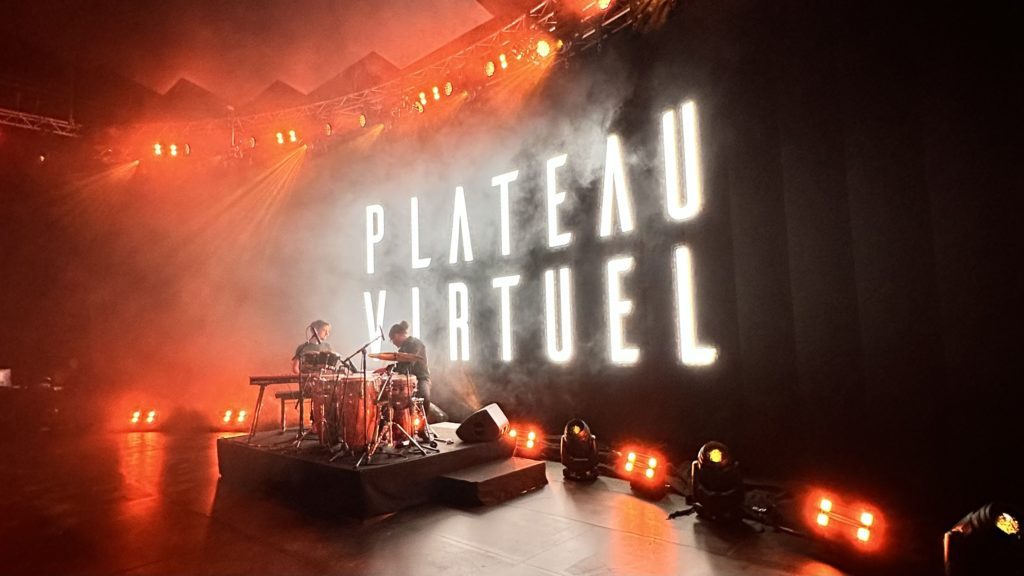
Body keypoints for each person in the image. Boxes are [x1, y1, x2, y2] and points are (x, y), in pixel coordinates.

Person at [386, 320, 432, 421]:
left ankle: (423, 425)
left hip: (420, 378)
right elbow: (401, 365)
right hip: (409, 380)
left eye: (392, 339)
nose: (393, 342)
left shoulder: (415, 344)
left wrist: (389, 369)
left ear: (397, 335)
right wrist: (387, 369)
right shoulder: (403, 348)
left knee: (423, 399)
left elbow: (407, 365)